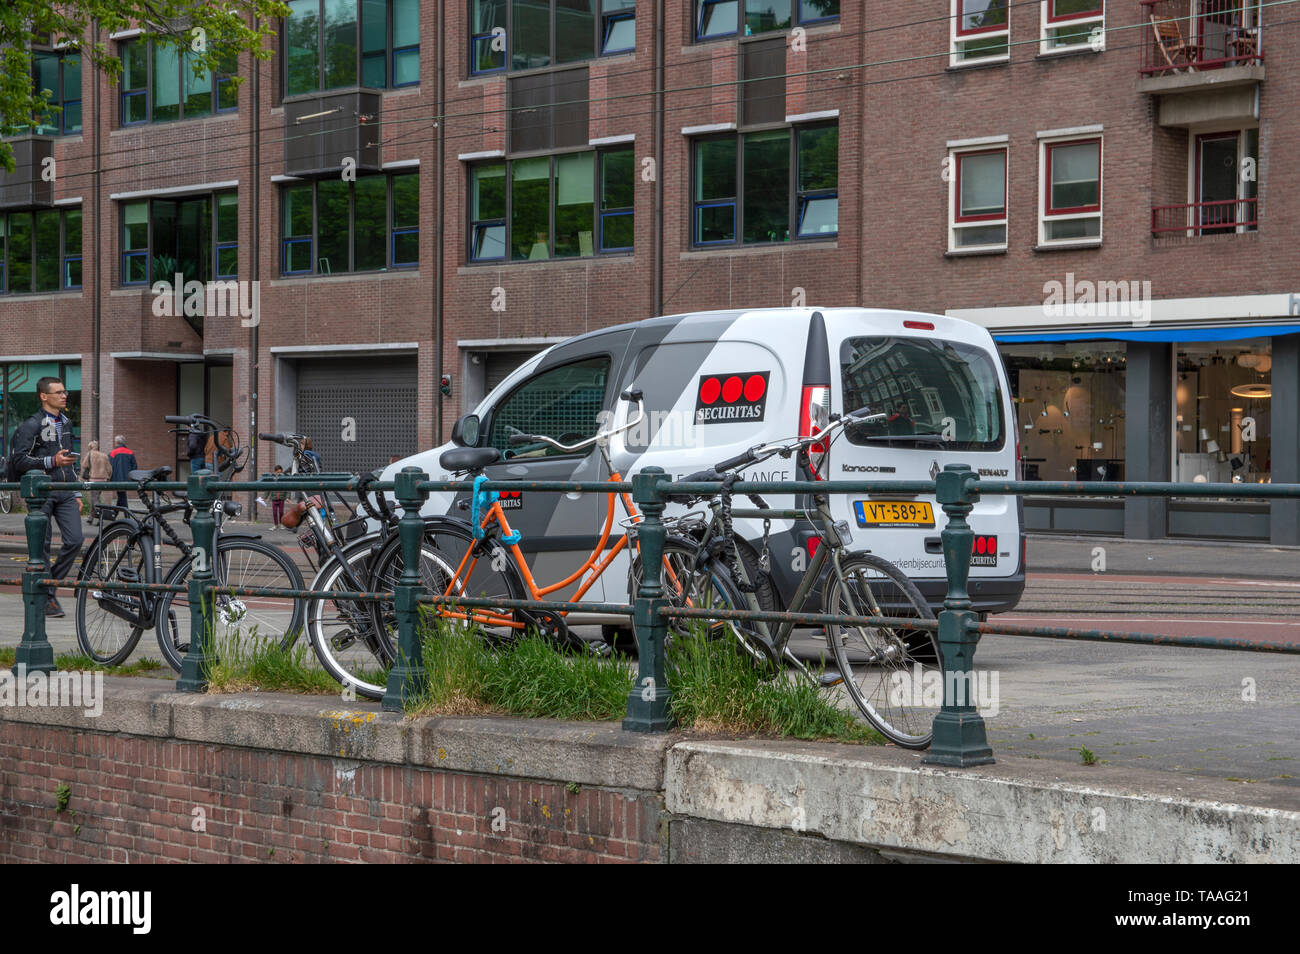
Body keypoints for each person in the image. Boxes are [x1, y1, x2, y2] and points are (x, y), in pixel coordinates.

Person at [10, 377, 84, 617]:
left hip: (64, 492)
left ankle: (47, 587)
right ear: (44, 396)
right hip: (42, 493)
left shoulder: (67, 422)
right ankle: (46, 598)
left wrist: (75, 491)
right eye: (58, 392)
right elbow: (19, 460)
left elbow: (68, 460)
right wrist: (51, 461)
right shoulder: (32, 425)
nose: (64, 396)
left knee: (75, 540)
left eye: (65, 392)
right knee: (41, 546)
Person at [80, 440, 112, 512]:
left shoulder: (90, 454)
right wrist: (108, 477)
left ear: (90, 447)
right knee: (96, 497)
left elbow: (84, 465)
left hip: (93, 479)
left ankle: (99, 514)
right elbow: (109, 469)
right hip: (103, 480)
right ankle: (92, 517)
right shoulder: (104, 455)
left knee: (94, 499)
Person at [108, 436, 138, 509]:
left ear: (116, 443)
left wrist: (110, 478)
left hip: (116, 478)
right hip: (128, 478)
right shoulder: (130, 452)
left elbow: (109, 467)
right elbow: (135, 466)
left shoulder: (112, 453)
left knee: (121, 495)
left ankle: (124, 514)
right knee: (121, 495)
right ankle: (118, 513)